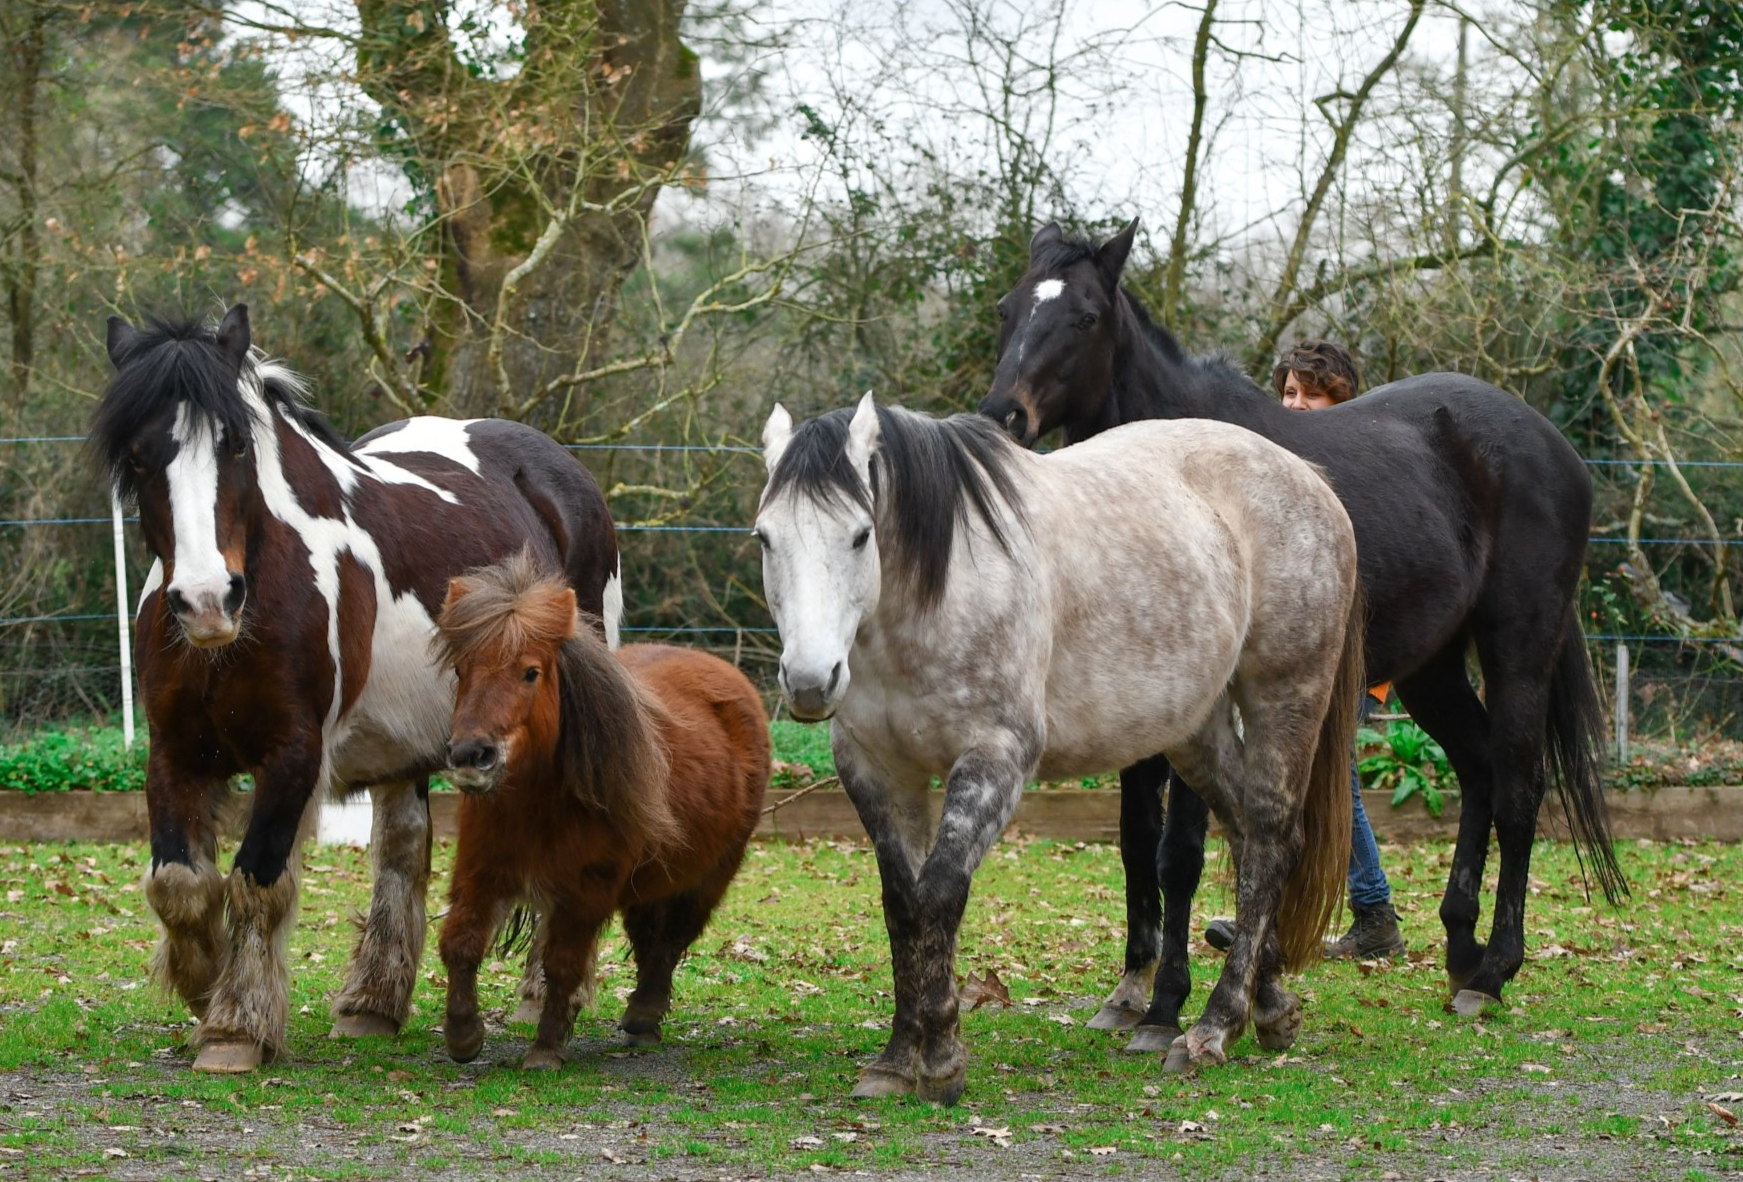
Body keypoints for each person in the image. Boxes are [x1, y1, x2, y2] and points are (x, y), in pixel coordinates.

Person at [1204, 340, 1407, 960]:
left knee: (1320, 771)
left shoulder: (1358, 474)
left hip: (1350, 660)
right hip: (1296, 658)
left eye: (1310, 395)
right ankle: (1343, 912)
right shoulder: (1279, 473)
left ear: (1342, 401)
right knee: (1298, 773)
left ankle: (1366, 911)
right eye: (1288, 393)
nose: (1295, 405)